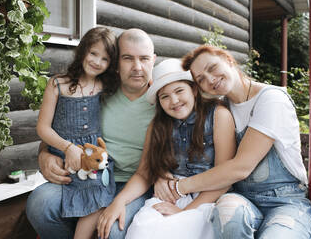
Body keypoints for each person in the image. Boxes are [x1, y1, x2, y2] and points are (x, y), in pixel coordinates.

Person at [156, 45, 311, 238]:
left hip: (284, 201)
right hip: (243, 199)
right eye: (201, 79)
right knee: (227, 211)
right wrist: (162, 175)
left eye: (212, 68)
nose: (210, 79)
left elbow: (241, 167)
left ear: (229, 60)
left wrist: (179, 187)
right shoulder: (222, 110)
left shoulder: (271, 100)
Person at [26, 28, 156, 239]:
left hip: (132, 184)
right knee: (40, 205)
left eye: (144, 58)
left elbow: (150, 169)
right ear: (117, 63)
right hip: (84, 173)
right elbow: (62, 127)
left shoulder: (162, 102)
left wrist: (119, 201)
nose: (137, 67)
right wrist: (45, 155)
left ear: (153, 60)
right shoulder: (103, 91)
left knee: (113, 232)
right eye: (127, 58)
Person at [97, 58, 236, 239]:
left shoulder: (218, 116)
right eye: (165, 96)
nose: (174, 100)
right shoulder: (158, 126)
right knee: (143, 230)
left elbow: (224, 179)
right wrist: (119, 201)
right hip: (169, 195)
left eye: (179, 91)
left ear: (193, 90)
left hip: (208, 198)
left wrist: (184, 211)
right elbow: (144, 173)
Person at [36, 26, 117, 239]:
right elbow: (43, 127)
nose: (97, 62)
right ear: (83, 51)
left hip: (92, 158)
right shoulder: (58, 84)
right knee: (42, 206)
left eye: (105, 59)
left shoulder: (104, 87)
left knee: (96, 196)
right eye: (93, 53)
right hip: (65, 160)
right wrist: (68, 147)